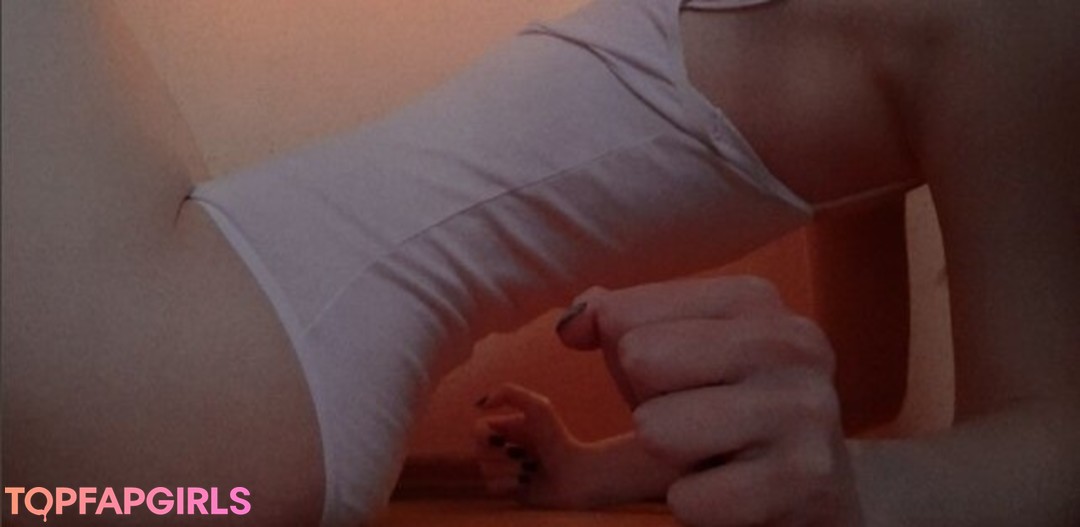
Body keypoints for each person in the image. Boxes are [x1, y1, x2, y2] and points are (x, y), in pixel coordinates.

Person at [3, 0, 1077, 526]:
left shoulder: (1016, 22)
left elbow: (1054, 429)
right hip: (234, 400)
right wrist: (599, 464)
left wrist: (864, 493)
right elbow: (864, 373)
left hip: (231, 389)